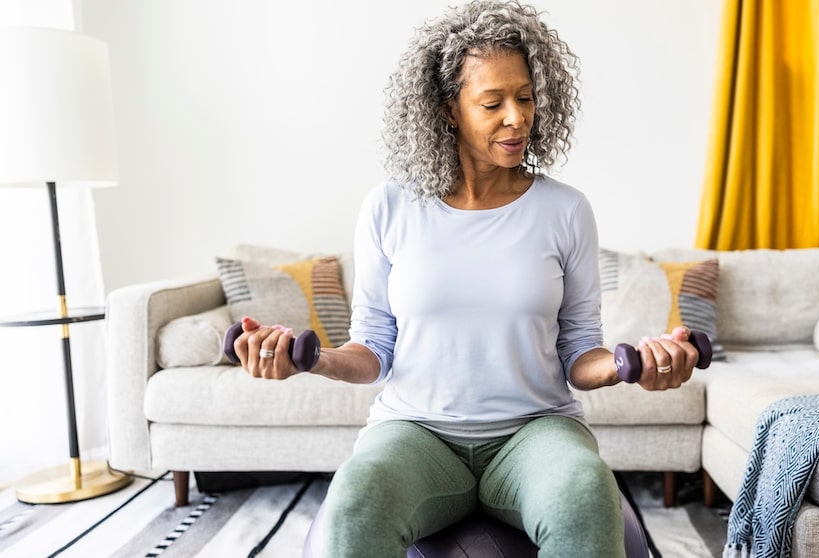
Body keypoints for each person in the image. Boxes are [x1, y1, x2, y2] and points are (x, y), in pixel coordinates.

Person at [232, 2, 700, 556]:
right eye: (493, 102)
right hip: (415, 433)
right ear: (448, 109)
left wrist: (635, 363)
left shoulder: (566, 210)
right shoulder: (389, 207)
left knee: (583, 493)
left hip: (535, 432)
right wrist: (307, 359)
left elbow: (579, 354)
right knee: (355, 499)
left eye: (525, 97)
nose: (517, 117)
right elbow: (375, 349)